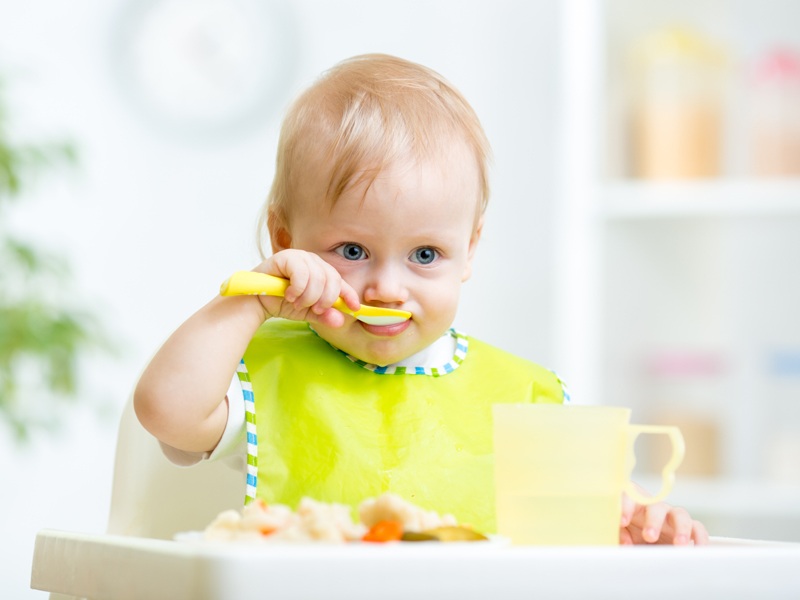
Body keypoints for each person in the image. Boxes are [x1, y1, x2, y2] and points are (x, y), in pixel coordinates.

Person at [134, 53, 708, 545]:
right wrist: (251, 300)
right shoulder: (263, 372)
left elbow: (580, 534)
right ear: (287, 241)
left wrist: (634, 527)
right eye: (352, 250)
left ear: (470, 250)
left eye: (425, 254)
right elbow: (165, 410)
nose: (387, 287)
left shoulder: (524, 399)